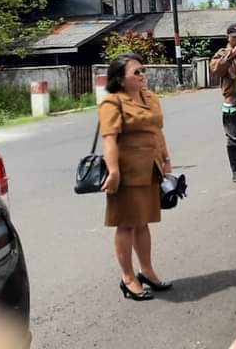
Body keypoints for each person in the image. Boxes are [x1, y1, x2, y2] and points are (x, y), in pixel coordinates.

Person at [99, 53, 173, 301]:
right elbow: (109, 139)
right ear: (120, 80)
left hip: (150, 168)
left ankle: (147, 271)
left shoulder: (150, 97)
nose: (143, 75)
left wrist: (165, 158)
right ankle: (128, 277)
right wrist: (113, 172)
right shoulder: (112, 103)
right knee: (126, 224)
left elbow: (157, 131)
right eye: (137, 72)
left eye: (143, 70)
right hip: (127, 172)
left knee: (143, 222)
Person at [210, 24, 236, 184]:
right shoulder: (222, 54)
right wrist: (231, 55)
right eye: (235, 37)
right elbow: (216, 70)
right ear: (228, 37)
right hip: (232, 102)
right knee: (235, 137)